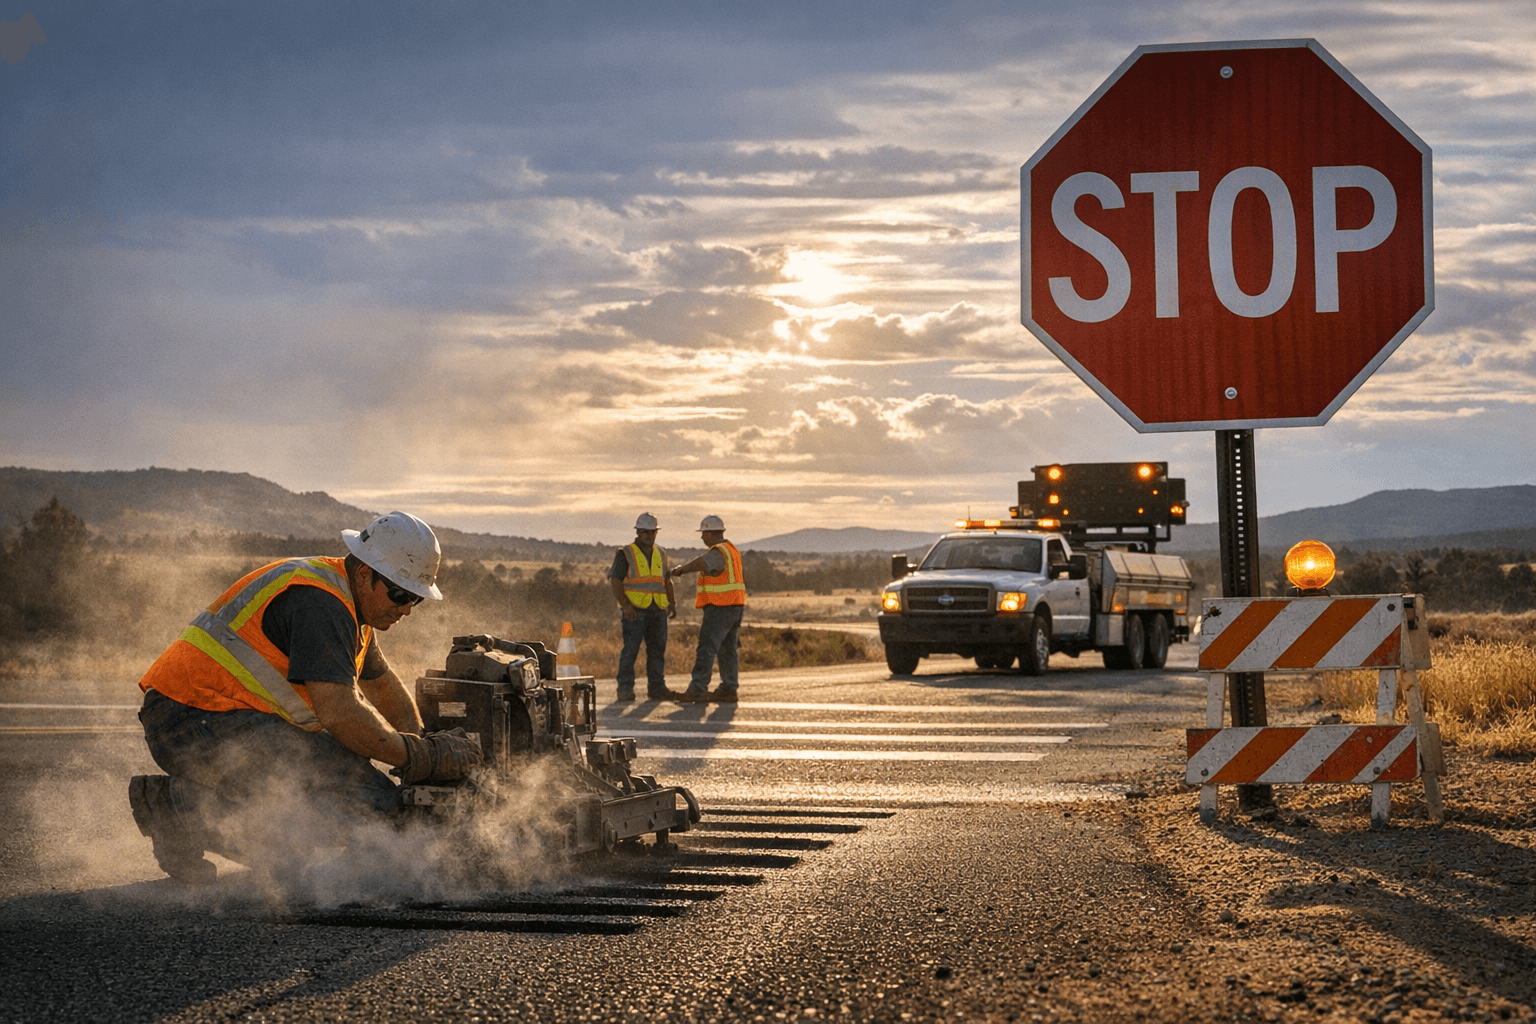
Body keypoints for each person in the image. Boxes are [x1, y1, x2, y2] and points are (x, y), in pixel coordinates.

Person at [127, 510, 483, 885]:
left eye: (416, 599)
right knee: (332, 825)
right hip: (187, 720)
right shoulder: (321, 604)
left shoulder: (346, 602)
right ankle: (174, 808)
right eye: (400, 594)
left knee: (351, 795)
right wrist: (419, 757)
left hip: (215, 716)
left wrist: (422, 741)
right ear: (365, 574)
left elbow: (380, 684)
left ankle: (181, 807)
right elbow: (341, 714)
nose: (407, 609)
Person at [669, 514, 746, 703]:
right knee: (727, 649)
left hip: (720, 606)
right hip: (734, 605)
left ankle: (697, 688)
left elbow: (702, 563)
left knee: (706, 648)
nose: (702, 537)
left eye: (703, 533)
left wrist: (681, 570)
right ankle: (728, 688)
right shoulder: (731, 550)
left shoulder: (717, 551)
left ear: (711, 533)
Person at [606, 512, 678, 701]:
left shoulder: (661, 553)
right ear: (638, 532)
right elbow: (615, 580)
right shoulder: (625, 553)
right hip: (635, 610)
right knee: (631, 650)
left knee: (657, 651)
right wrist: (626, 605)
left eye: (652, 532)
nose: (649, 535)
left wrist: (672, 603)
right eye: (645, 532)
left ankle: (657, 688)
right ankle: (625, 689)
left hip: (658, 609)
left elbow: (666, 580)